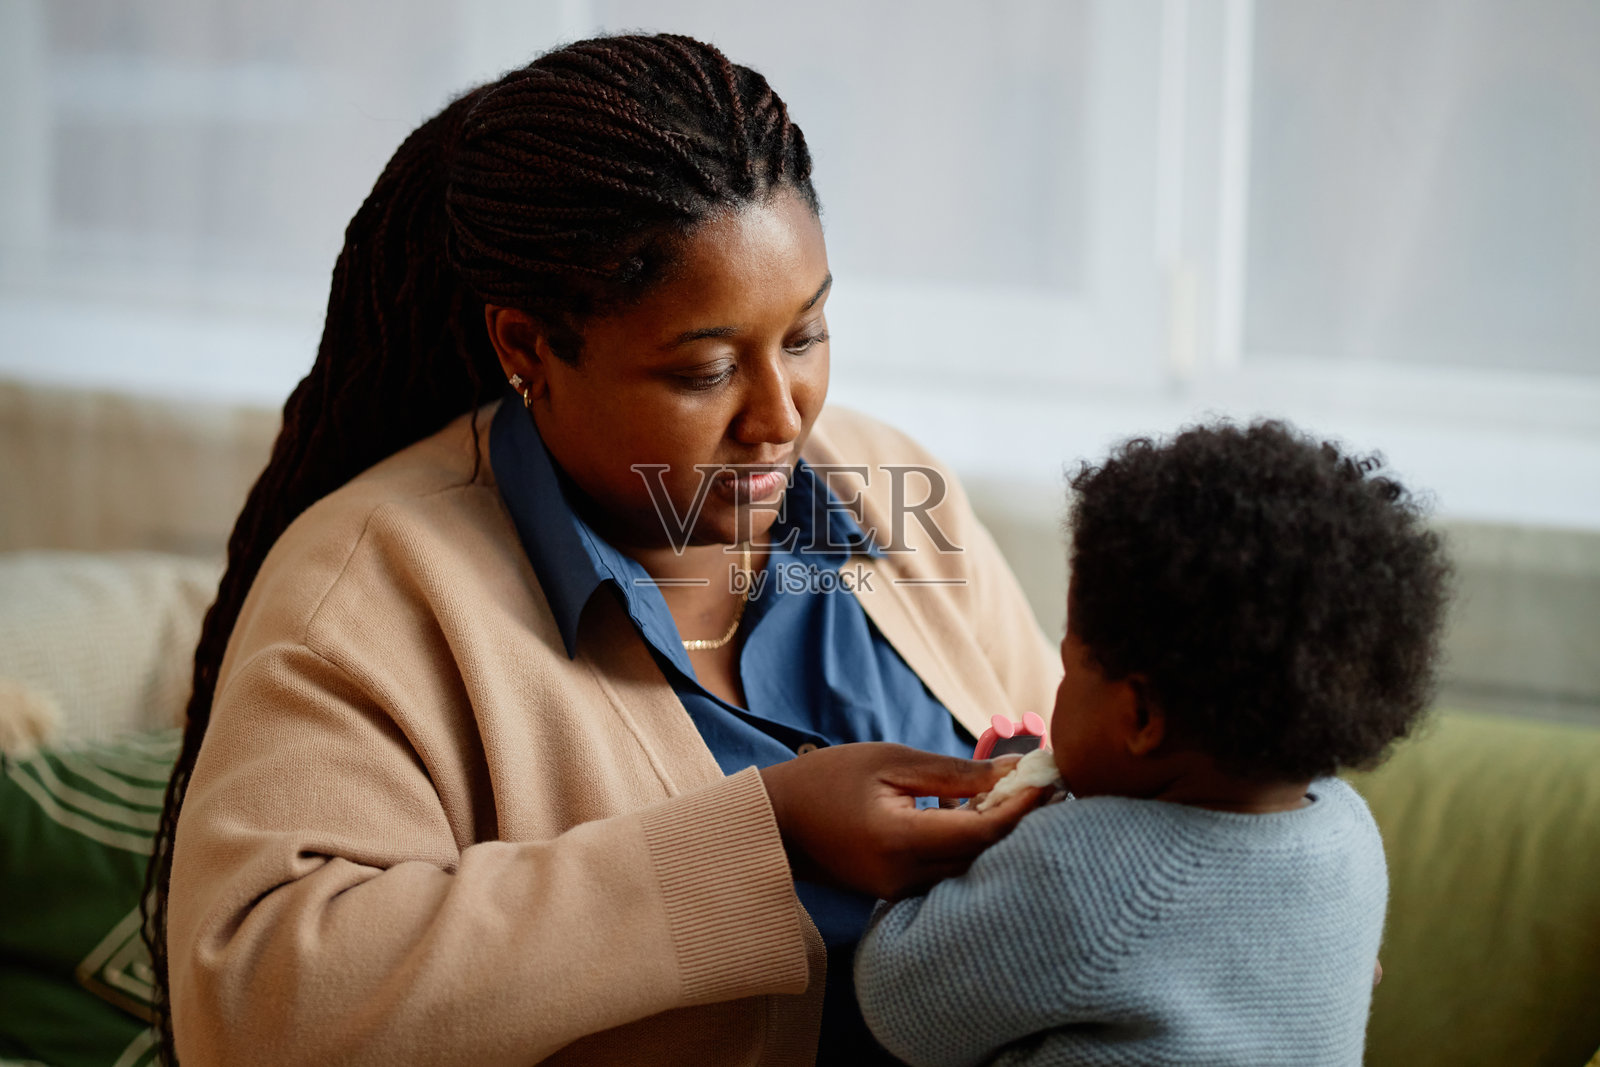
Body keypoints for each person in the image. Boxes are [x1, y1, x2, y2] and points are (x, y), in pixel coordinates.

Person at [144, 33, 1061, 1067]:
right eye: (703, 370)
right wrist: (765, 836)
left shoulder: (887, 483)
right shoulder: (369, 587)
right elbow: (261, 1006)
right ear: (526, 347)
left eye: (804, 337)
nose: (778, 417)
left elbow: (1085, 756)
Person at [854, 420, 1453, 1067]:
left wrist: (958, 845)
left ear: (1140, 714)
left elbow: (902, 1006)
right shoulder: (1351, 834)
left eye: (1071, 664)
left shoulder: (1079, 869)